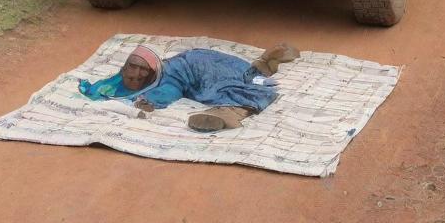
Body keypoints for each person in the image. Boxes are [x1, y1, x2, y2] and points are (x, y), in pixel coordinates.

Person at [79, 43, 299, 132]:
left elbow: (170, 92)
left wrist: (151, 103)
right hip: (201, 58)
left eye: (143, 70)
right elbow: (99, 89)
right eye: (132, 67)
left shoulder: (166, 79)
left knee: (235, 89)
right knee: (245, 77)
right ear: (124, 67)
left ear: (153, 71)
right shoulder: (118, 81)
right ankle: (265, 64)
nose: (136, 74)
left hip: (203, 69)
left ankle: (229, 114)